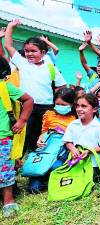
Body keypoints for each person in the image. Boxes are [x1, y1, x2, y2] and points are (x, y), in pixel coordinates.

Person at [4, 19, 66, 154]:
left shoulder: (51, 68)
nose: (29, 53)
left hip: (46, 107)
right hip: (26, 107)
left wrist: (54, 98)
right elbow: (8, 45)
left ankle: (36, 161)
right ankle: (18, 159)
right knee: (22, 136)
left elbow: (61, 86)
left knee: (40, 137)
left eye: (33, 51)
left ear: (43, 52)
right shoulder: (23, 63)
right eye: (26, 51)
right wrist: (10, 27)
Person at [0, 57, 33, 217]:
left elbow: (28, 99)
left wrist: (22, 120)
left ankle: (8, 200)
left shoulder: (4, 87)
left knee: (4, 169)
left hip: (2, 137)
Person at [28, 87, 76, 193]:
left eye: (64, 105)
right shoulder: (49, 114)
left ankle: (51, 179)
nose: (60, 107)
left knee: (56, 166)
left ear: (72, 104)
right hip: (47, 145)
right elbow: (43, 131)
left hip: (64, 147)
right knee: (33, 188)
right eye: (57, 104)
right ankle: (38, 179)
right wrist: (40, 139)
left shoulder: (75, 118)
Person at [63, 94, 100, 182]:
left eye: (84, 106)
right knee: (63, 176)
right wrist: (73, 149)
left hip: (93, 165)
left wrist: (88, 151)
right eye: (77, 106)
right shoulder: (73, 124)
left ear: (95, 109)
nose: (79, 109)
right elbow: (67, 141)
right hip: (75, 162)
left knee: (84, 181)